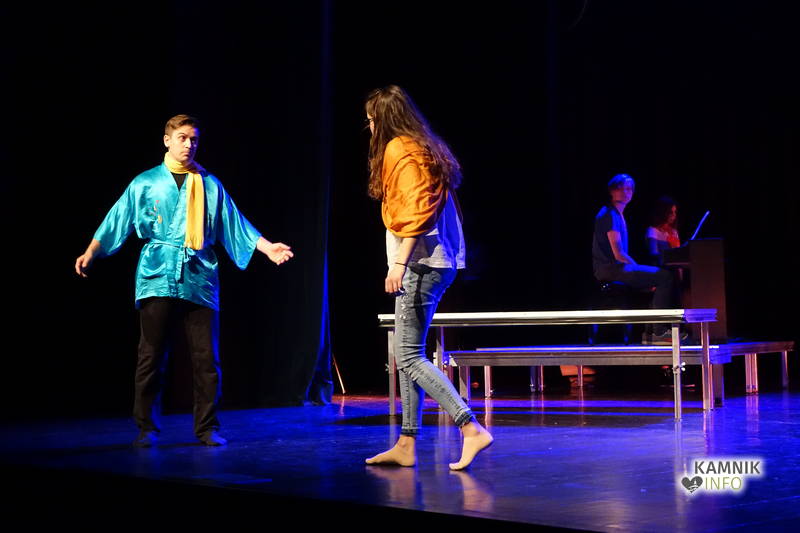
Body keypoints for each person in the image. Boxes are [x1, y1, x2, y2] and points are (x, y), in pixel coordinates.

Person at [75, 115, 293, 447]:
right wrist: (92, 251)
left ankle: (207, 427)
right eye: (182, 138)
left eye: (194, 139)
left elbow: (233, 222)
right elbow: (118, 217)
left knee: (206, 358)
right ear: (167, 140)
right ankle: (146, 427)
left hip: (199, 274)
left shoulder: (209, 184)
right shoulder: (146, 182)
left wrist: (267, 248)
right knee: (151, 355)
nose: (189, 145)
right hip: (157, 271)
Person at [362, 85, 492, 470]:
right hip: (435, 263)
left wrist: (399, 264)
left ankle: (470, 428)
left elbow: (418, 213)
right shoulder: (423, 148)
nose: (369, 127)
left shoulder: (401, 150)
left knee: (408, 355)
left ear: (384, 120)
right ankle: (406, 443)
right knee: (410, 353)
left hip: (420, 264)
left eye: (371, 120)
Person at [591, 174, 678, 344]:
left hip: (614, 268)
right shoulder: (610, 214)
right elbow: (619, 254)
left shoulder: (617, 214)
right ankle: (659, 332)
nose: (626, 192)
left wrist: (641, 274)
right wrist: (638, 269)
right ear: (612, 191)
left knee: (658, 277)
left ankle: (650, 333)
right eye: (621, 188)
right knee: (665, 277)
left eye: (629, 189)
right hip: (611, 269)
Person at [646, 196, 680, 266]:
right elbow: (653, 254)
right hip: (661, 268)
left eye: (675, 212)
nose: (674, 215)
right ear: (662, 212)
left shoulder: (674, 231)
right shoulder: (653, 231)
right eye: (670, 212)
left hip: (675, 267)